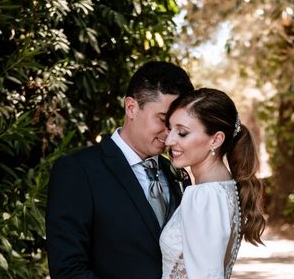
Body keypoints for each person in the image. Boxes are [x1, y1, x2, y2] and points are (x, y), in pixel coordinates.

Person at [46, 61, 194, 279]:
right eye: (163, 120)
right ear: (131, 108)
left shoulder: (177, 174)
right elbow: (68, 270)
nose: (169, 134)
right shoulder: (77, 171)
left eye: (175, 125)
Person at [160, 88, 266, 279]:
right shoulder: (225, 188)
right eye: (170, 128)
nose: (169, 140)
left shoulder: (205, 196)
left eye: (182, 133)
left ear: (216, 140)